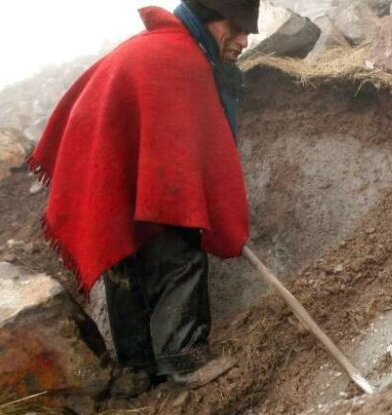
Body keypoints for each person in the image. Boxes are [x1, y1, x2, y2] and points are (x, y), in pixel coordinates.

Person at [29, 0, 259, 392]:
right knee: (178, 245)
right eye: (236, 27)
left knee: (128, 254)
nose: (244, 39)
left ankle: (137, 368)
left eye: (248, 30)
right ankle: (183, 357)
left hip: (104, 178)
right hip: (115, 174)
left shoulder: (163, 45)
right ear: (209, 19)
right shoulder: (181, 59)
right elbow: (181, 178)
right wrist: (214, 215)